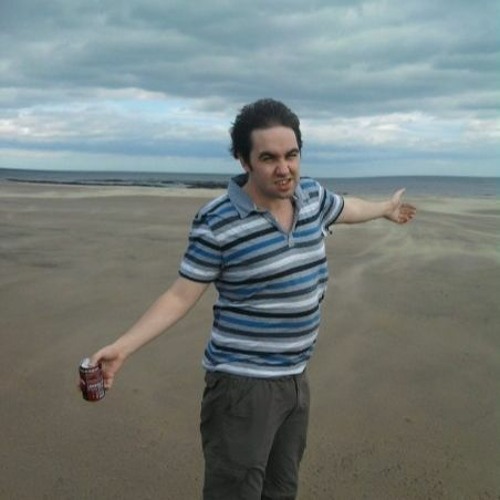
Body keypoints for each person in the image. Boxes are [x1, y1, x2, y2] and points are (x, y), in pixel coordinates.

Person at [90, 98, 416, 499]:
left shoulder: (311, 198)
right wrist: (123, 347)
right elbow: (179, 296)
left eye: (291, 155)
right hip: (242, 387)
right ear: (243, 160)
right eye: (268, 158)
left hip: (295, 377)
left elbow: (349, 208)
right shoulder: (218, 221)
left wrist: (385, 209)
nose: (284, 168)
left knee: (281, 490)